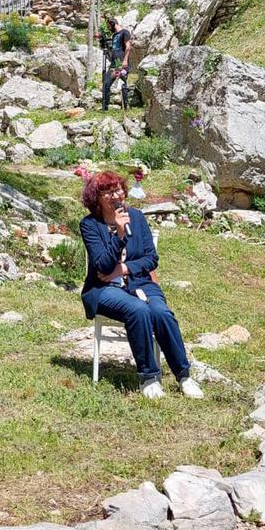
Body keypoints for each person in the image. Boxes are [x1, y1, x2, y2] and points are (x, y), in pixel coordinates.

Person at [79, 171, 204, 400]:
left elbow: (151, 258)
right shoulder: (90, 225)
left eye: (118, 190)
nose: (117, 196)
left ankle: (184, 376)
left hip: (140, 283)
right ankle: (149, 377)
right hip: (103, 289)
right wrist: (119, 235)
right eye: (109, 192)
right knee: (138, 310)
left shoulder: (136, 217)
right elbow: (102, 266)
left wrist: (124, 269)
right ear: (97, 198)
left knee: (161, 313)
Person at [100, 17, 131, 112]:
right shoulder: (114, 35)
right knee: (106, 83)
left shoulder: (124, 32)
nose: (109, 28)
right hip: (114, 64)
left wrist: (125, 60)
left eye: (109, 26)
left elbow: (128, 47)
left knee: (123, 84)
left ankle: (125, 107)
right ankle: (105, 108)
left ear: (113, 24)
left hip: (121, 62)